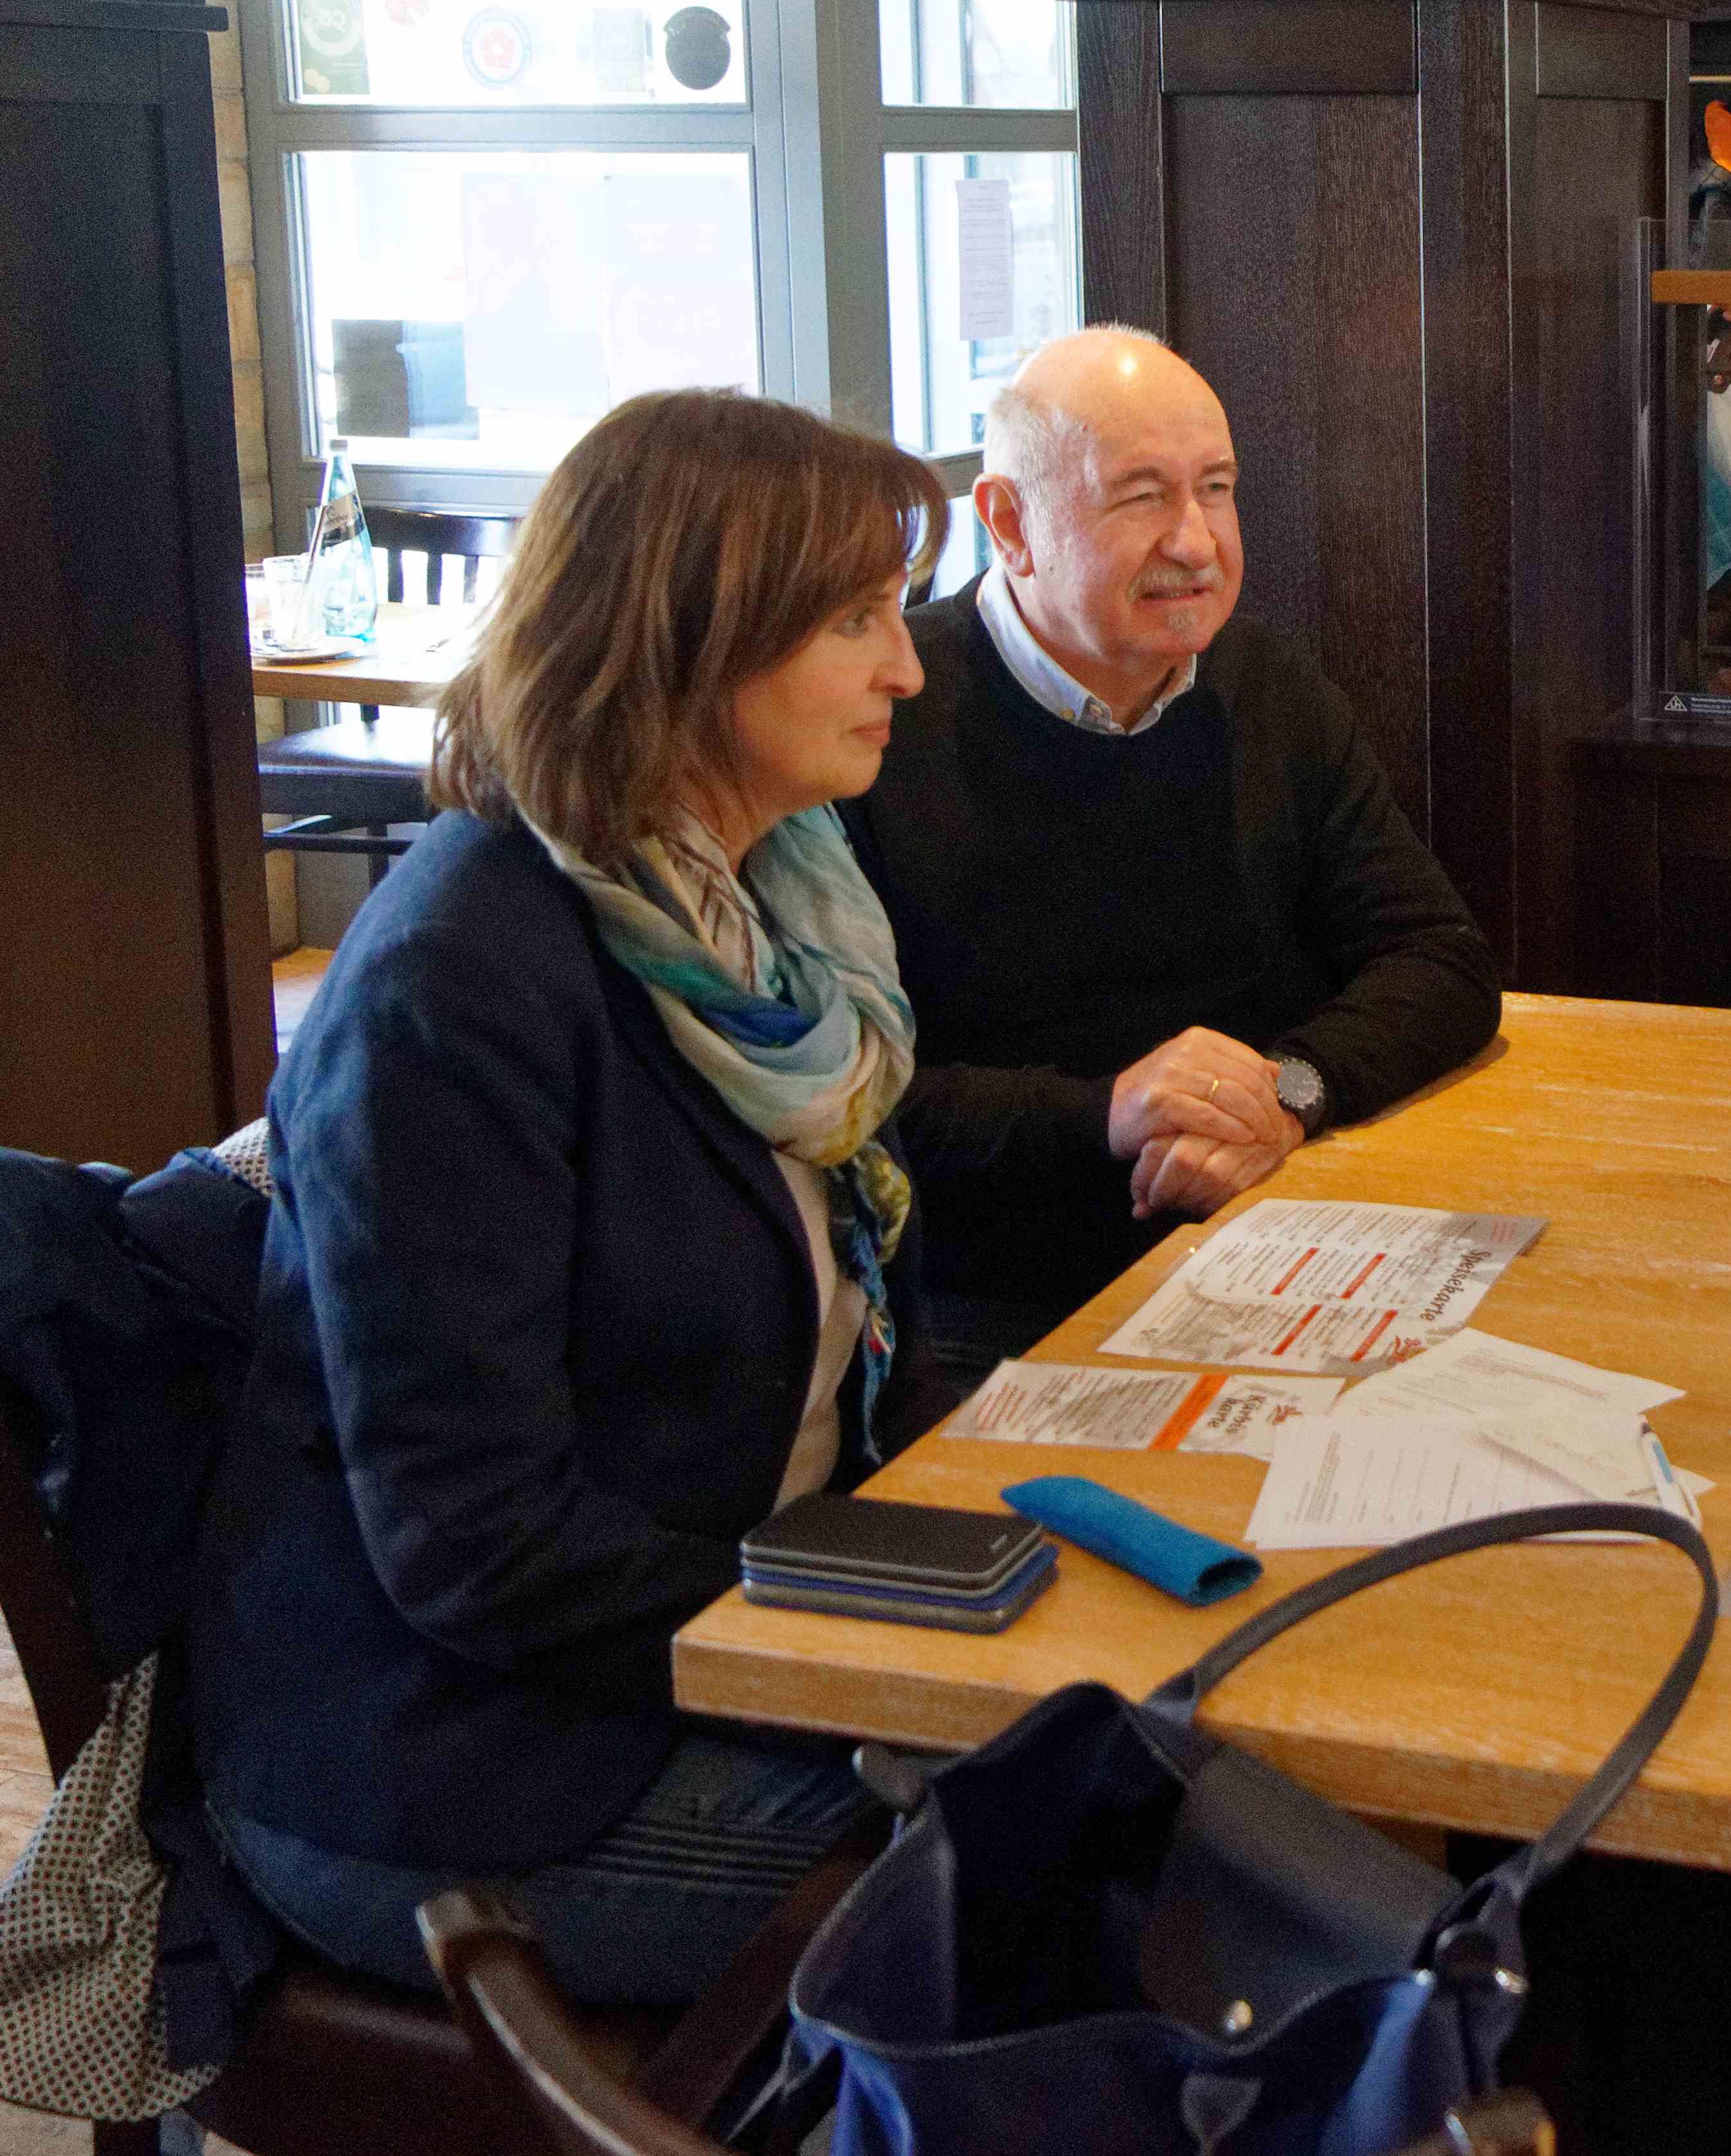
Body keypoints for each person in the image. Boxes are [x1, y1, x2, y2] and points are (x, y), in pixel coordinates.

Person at [192, 391, 956, 2003]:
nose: (907, 668)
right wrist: (851, 1630)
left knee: (1157, 1770)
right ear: (683, 637)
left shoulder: (777, 912)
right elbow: (476, 1545)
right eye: (855, 622)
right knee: (1066, 1870)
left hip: (689, 1642)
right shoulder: (459, 979)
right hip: (463, 1769)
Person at [841, 326, 1502, 1376]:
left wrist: (1288, 1091)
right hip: (983, 1306)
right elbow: (849, 1101)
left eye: (1218, 489)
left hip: (1266, 1238)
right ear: (1009, 522)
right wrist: (1108, 1114)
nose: (1196, 543)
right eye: (1142, 496)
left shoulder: (1265, 684)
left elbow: (1441, 958)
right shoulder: (877, 721)